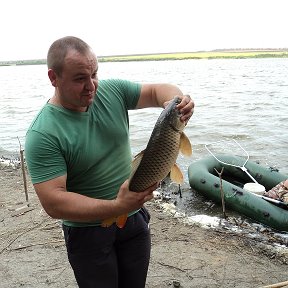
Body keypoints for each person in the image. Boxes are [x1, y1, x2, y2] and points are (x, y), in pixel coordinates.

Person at [25, 36, 194, 288]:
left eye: (94, 74)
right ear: (54, 78)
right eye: (80, 78)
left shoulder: (111, 91)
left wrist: (177, 102)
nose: (91, 86)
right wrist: (116, 205)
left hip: (134, 220)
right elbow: (54, 202)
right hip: (87, 233)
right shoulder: (43, 133)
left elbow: (158, 91)